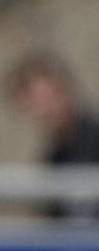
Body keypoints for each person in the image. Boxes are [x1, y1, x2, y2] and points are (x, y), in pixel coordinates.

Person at [9, 54, 99, 217]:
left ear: (64, 91)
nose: (43, 111)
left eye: (46, 99)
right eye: (33, 104)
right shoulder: (54, 157)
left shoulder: (92, 139)